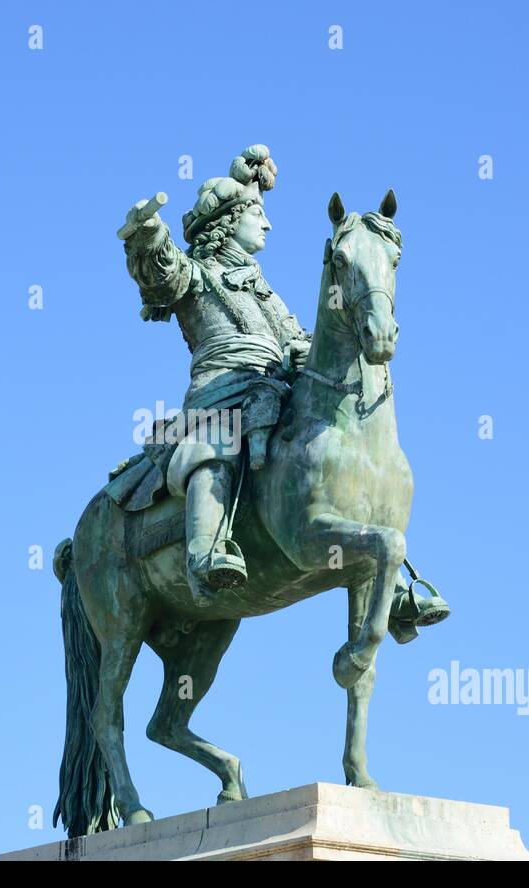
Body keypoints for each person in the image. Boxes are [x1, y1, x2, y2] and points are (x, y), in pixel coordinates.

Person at [123, 145, 310, 605]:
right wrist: (148, 234)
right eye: (257, 214)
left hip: (274, 386)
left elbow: (296, 339)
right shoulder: (199, 274)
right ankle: (204, 555)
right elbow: (163, 274)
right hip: (221, 394)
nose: (267, 224)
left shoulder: (266, 291)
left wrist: (310, 355)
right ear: (228, 221)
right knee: (217, 442)